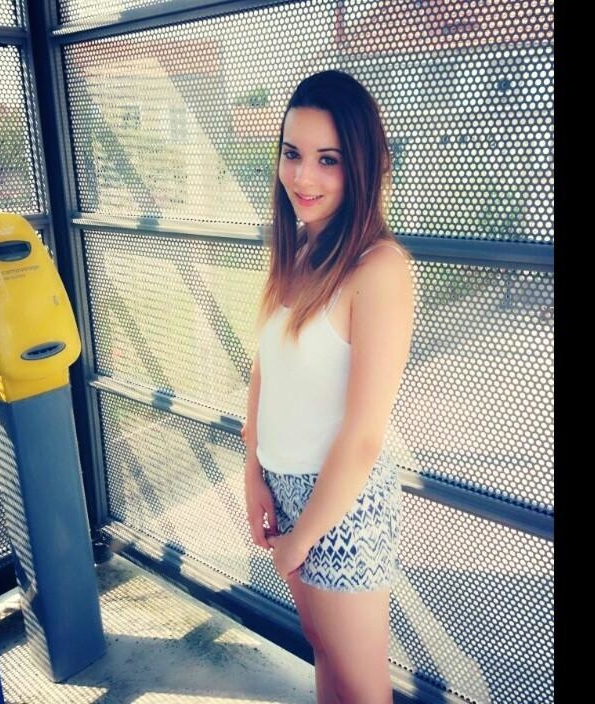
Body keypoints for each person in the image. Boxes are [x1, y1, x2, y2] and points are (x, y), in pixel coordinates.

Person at [241, 70, 414, 704]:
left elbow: (364, 435)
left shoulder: (379, 269)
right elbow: (265, 368)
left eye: (328, 159)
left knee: (362, 684)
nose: (302, 176)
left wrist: (303, 536)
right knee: (323, 649)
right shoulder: (296, 249)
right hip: (283, 486)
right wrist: (253, 470)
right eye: (292, 153)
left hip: (342, 503)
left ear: (361, 166)